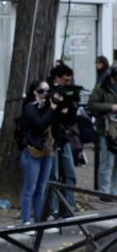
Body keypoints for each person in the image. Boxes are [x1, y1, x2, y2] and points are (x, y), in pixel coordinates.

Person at [19, 80, 57, 226]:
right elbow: (40, 123)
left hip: (47, 150)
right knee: (30, 188)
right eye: (42, 90)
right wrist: (51, 109)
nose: (46, 94)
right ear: (35, 92)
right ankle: (26, 221)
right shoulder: (29, 107)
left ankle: (39, 221)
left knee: (41, 188)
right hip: (33, 151)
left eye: (48, 90)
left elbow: (63, 121)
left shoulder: (51, 106)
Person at [46, 64, 78, 218]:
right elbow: (48, 115)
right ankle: (53, 210)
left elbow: (70, 120)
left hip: (64, 138)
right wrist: (59, 106)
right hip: (51, 138)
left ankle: (69, 208)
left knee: (70, 174)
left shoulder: (68, 92)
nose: (67, 83)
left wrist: (72, 106)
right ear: (57, 77)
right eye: (65, 80)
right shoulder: (47, 90)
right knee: (53, 176)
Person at [87, 65, 117, 200]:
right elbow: (91, 105)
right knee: (107, 162)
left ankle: (114, 192)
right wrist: (111, 107)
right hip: (107, 129)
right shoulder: (101, 88)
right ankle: (104, 192)